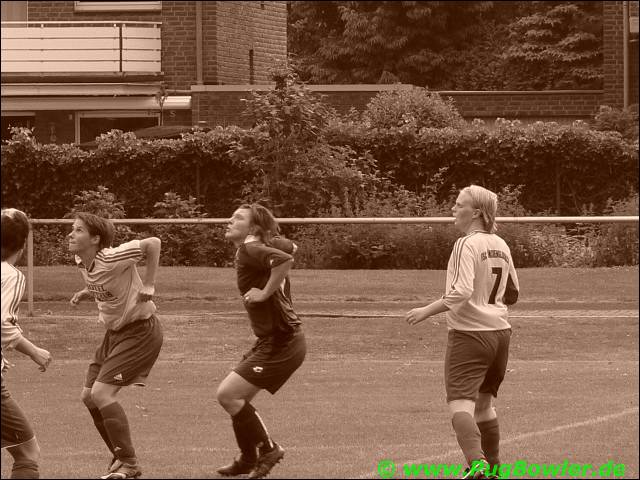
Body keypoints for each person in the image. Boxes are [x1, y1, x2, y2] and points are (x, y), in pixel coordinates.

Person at [405, 185, 519, 480]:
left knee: (460, 405)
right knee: (484, 406)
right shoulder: (501, 244)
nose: (453, 210)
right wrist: (489, 301)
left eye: (459, 205)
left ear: (476, 212)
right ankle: (493, 470)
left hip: (470, 335)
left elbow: (461, 291)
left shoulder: (465, 244)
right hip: (501, 334)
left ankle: (477, 464)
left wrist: (425, 311)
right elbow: (513, 293)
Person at [68, 212, 163, 480]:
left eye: (78, 230)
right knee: (89, 397)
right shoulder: (81, 261)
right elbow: (104, 282)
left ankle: (129, 463)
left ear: (95, 239)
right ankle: (121, 456)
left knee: (102, 394)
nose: (70, 234)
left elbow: (153, 243)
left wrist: (150, 284)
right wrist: (87, 292)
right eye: (72, 229)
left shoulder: (111, 257)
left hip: (140, 332)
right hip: (114, 334)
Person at [216, 204, 306, 479]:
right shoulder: (253, 247)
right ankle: (247, 459)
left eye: (238, 218)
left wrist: (265, 292)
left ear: (253, 228)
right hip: (274, 340)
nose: (230, 220)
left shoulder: (251, 248)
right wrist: (278, 242)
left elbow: (284, 259)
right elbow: (290, 248)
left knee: (228, 395)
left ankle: (269, 450)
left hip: (282, 341)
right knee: (237, 399)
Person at [1, 208, 53, 479]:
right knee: (27, 453)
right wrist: (33, 351)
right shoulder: (10, 275)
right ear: (22, 246)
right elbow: (1, 323)